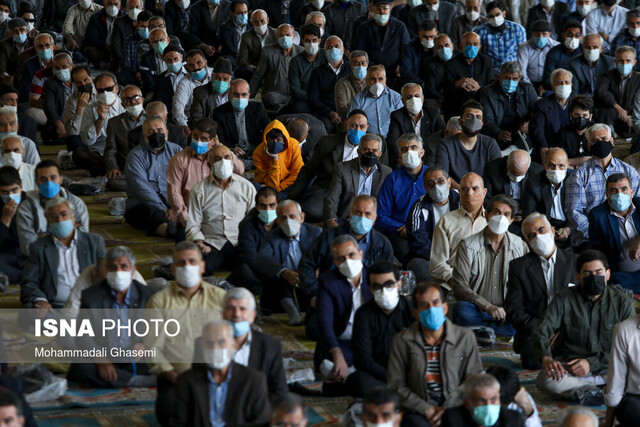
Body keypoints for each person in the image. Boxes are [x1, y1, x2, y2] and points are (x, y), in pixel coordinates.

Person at [533, 249, 634, 405]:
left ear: (607, 274)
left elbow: (630, 346)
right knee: (545, 380)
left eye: (598, 272)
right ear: (579, 277)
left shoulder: (623, 303)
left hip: (610, 367)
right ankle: (603, 392)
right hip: (572, 368)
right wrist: (546, 357)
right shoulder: (564, 299)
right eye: (587, 274)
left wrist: (591, 363)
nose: (594, 277)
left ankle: (595, 391)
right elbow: (541, 330)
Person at [146, 241, 227, 425]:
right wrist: (173, 376)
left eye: (192, 261)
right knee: (169, 413)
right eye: (181, 263)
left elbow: (234, 341)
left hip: (217, 377)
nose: (187, 267)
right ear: (173, 269)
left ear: (202, 266)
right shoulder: (159, 301)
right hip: (175, 379)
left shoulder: (220, 298)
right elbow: (152, 348)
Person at [388, 282, 482, 426]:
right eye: (424, 305)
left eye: (436, 303)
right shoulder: (402, 340)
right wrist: (425, 409)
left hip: (456, 404)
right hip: (418, 406)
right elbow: (396, 384)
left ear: (445, 308)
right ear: (416, 313)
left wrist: (447, 407)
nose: (431, 309)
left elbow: (473, 379)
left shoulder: (465, 337)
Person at [299, 196, 394, 337]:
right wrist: (314, 295)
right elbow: (306, 265)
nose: (362, 217)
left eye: (367, 214)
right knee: (315, 331)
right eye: (357, 213)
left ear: (374, 218)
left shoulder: (382, 243)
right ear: (350, 214)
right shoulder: (330, 236)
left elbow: (388, 276)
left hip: (367, 299)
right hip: (332, 296)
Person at [66, 246, 155, 388]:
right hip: (106, 354)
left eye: (123, 266)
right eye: (113, 267)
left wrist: (144, 344)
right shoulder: (91, 295)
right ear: (107, 271)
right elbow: (83, 335)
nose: (118, 272)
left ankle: (117, 378)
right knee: (80, 368)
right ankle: (137, 380)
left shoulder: (146, 294)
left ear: (133, 271)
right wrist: (100, 359)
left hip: (136, 356)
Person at [506, 212, 577, 369]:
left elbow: (584, 304)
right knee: (534, 361)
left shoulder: (575, 262)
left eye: (541, 230)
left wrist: (563, 329)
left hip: (569, 331)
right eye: (531, 235)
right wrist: (544, 329)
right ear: (527, 241)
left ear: (552, 230)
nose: (538, 236)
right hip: (535, 332)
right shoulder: (518, 267)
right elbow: (514, 309)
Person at [451, 194, 528, 336]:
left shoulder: (520, 246)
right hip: (478, 309)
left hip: (507, 310)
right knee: (460, 310)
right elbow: (459, 286)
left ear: (511, 220)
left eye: (506, 214)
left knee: (527, 313)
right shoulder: (468, 245)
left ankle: (483, 331)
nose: (501, 218)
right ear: (486, 215)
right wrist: (487, 306)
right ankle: (500, 331)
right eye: (496, 212)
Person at [287, 110, 382, 222]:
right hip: (327, 190)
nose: (358, 130)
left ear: (367, 127)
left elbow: (380, 173)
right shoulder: (328, 142)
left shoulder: (375, 145)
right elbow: (308, 171)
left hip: (358, 193)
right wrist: (290, 196)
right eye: (353, 125)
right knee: (311, 211)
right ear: (346, 125)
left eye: (362, 127)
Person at [171, 320, 270, 426]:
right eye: (209, 343)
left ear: (234, 344)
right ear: (202, 346)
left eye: (221, 342)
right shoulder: (186, 381)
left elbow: (261, 423)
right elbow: (179, 423)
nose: (215, 348)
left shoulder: (254, 381)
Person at [20, 197, 106, 309]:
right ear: (48, 221)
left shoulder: (94, 242)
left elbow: (106, 274)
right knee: (28, 312)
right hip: (54, 306)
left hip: (88, 304)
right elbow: (29, 281)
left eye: (64, 214)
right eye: (53, 217)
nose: (59, 220)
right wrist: (41, 300)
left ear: (73, 216)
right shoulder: (39, 247)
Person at [565, 123, 640, 247]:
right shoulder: (578, 176)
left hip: (628, 232)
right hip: (591, 237)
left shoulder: (628, 171)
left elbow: (638, 203)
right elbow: (574, 212)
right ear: (589, 145)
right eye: (595, 140)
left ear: (611, 141)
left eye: (604, 139)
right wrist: (599, 233)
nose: (600, 142)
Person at [186, 144, 256, 275]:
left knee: (250, 268)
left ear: (232, 160)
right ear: (209, 164)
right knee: (201, 268)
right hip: (212, 243)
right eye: (217, 158)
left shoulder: (246, 187)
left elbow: (253, 220)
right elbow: (193, 224)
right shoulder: (199, 190)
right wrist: (200, 243)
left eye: (227, 157)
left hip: (238, 241)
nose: (223, 162)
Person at [314, 234, 371, 389]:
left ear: (361, 254)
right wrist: (337, 354)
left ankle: (352, 377)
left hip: (369, 342)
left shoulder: (373, 277)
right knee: (329, 365)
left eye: (351, 255)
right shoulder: (328, 281)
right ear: (335, 262)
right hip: (342, 343)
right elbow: (324, 321)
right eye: (341, 258)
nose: (348, 261)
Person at [349, 261, 413, 397]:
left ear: (399, 285)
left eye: (389, 284)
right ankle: (399, 395)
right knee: (357, 381)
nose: (384, 290)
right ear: (370, 289)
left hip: (410, 373)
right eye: (377, 286)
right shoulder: (363, 314)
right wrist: (392, 377)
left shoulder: (412, 310)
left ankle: (393, 395)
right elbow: (363, 360)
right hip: (379, 375)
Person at [255, 199, 322, 324]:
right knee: (274, 276)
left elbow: (328, 259)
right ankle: (290, 307)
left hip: (309, 279)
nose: (288, 221)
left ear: (301, 217)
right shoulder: (272, 236)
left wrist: (316, 272)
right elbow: (262, 259)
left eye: (292, 216)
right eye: (283, 218)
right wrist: (284, 272)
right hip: (283, 282)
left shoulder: (316, 233)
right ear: (278, 222)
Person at [167, 118, 243, 228]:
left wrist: (221, 148)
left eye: (203, 139)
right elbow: (174, 192)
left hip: (219, 215)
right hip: (191, 217)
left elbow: (239, 170)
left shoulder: (220, 158)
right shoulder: (179, 159)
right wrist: (187, 221)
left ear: (213, 140)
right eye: (195, 137)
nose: (198, 141)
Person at [220, 288, 288, 401]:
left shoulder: (270, 346)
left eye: (242, 309)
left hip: (257, 411)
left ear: (252, 316)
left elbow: (278, 391)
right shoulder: (207, 343)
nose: (237, 314)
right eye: (231, 309)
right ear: (222, 314)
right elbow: (200, 389)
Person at [124, 116, 183, 239]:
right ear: (143, 135)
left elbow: (184, 181)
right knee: (151, 214)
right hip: (145, 205)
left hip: (174, 204)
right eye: (150, 131)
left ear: (166, 133)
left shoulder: (177, 151)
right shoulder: (135, 156)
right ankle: (171, 230)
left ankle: (175, 226)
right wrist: (165, 210)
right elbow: (142, 189)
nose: (156, 134)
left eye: (160, 130)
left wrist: (177, 207)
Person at [16, 160, 89, 257]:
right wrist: (65, 232)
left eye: (53, 178)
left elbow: (81, 243)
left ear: (61, 179)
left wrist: (43, 236)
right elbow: (29, 247)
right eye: (43, 179)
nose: (49, 183)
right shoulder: (27, 208)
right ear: (36, 182)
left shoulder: (77, 204)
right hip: (40, 262)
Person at [429, 172, 488, 288]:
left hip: (486, 285)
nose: (470, 193)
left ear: (484, 192)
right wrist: (456, 281)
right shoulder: (446, 221)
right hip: (452, 285)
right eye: (465, 189)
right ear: (460, 193)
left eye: (475, 188)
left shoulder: (491, 222)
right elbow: (437, 264)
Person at [376, 133, 427, 263]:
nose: (409, 151)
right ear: (399, 155)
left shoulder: (433, 177)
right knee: (405, 255)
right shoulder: (392, 179)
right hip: (401, 234)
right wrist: (401, 228)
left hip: (429, 232)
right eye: (404, 149)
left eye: (413, 148)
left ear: (422, 152)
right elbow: (381, 215)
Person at [406, 166, 460, 282]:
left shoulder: (461, 203)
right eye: (431, 184)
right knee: (416, 265)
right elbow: (419, 242)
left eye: (441, 181)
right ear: (425, 188)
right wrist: (440, 260)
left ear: (449, 182)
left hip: (459, 257)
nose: (437, 186)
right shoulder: (418, 208)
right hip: (432, 258)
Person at [323, 133, 391, 225]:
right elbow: (332, 198)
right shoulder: (343, 168)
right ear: (359, 152)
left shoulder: (386, 172)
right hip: (346, 220)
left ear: (380, 154)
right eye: (366, 149)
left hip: (373, 223)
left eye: (374, 150)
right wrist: (331, 220)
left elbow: (387, 204)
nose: (370, 153)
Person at [588, 173, 640, 291]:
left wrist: (638, 243)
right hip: (624, 276)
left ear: (631, 193)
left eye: (624, 189)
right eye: (614, 190)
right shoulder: (597, 215)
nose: (619, 194)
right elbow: (597, 250)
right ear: (607, 195)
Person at [436, 100, 502, 189]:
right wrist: (463, 191)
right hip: (454, 193)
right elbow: (442, 175)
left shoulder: (490, 144)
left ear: (482, 124)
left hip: (483, 193)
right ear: (460, 121)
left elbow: (496, 175)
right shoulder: (445, 144)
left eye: (478, 117)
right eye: (469, 116)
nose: (474, 120)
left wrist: (478, 193)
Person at [479, 61, 538, 152]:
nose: (511, 82)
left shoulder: (527, 89)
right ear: (500, 77)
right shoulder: (488, 92)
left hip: (522, 132)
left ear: (519, 79)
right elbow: (487, 118)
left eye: (514, 79)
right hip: (498, 131)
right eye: (507, 78)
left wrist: (529, 123)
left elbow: (538, 111)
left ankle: (509, 153)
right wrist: (497, 132)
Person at [74, 72, 125, 176]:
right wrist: (100, 120)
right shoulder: (90, 108)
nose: (105, 93)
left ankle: (108, 170)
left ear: (116, 89)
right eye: (101, 90)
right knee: (79, 154)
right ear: (96, 92)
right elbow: (87, 141)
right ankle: (115, 170)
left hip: (121, 151)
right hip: (100, 152)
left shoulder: (125, 105)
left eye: (109, 89)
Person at [212, 79, 270, 169]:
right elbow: (220, 138)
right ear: (229, 95)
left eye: (243, 94)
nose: (240, 98)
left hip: (256, 151)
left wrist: (261, 148)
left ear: (249, 95)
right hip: (234, 154)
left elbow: (268, 129)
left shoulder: (258, 108)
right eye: (236, 94)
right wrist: (231, 149)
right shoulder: (219, 112)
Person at [522, 147, 572, 247]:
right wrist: (546, 230)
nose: (556, 170)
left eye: (561, 166)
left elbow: (581, 212)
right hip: (544, 226)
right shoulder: (533, 183)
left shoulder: (574, 181)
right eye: (551, 165)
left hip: (569, 226)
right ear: (544, 165)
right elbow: (529, 215)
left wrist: (568, 229)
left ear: (568, 165)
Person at [387, 83, 445, 168]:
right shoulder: (397, 116)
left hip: (431, 157)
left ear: (422, 98)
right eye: (409, 97)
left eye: (416, 96)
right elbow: (393, 142)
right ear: (403, 101)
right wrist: (402, 158)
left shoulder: (433, 113)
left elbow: (443, 135)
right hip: (407, 156)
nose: (413, 99)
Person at [250, 23, 304, 112]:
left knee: (301, 100)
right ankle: (287, 105)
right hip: (275, 94)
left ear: (294, 36)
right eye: (281, 35)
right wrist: (250, 95)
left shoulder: (301, 52)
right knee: (270, 98)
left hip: (294, 94)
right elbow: (258, 75)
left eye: (288, 35)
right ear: (277, 37)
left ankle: (283, 107)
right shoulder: (268, 51)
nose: (285, 38)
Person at [442, 31, 495, 119]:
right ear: (461, 46)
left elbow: (491, 85)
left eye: (475, 44)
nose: (472, 47)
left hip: (481, 101)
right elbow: (445, 89)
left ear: (479, 47)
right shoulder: (451, 64)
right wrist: (457, 84)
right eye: (468, 44)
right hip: (458, 103)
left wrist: (479, 88)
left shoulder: (486, 61)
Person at [441, 373, 527, 427]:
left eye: (493, 399)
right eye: (481, 401)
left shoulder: (514, 419)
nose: (488, 405)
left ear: (499, 399)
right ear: (467, 403)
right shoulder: (452, 419)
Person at [102, 85, 146, 191]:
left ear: (143, 99)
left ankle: (143, 185)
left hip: (152, 167)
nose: (133, 102)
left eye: (136, 97)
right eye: (127, 99)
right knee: (112, 182)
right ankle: (148, 186)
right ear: (123, 104)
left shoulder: (154, 118)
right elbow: (110, 150)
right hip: (129, 169)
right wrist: (113, 167)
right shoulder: (114, 123)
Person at [594, 45, 640, 137]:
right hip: (613, 114)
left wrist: (634, 116)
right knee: (604, 110)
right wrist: (617, 108)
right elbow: (601, 91)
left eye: (628, 61)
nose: (624, 64)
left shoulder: (638, 79)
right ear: (615, 61)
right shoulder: (608, 75)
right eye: (621, 60)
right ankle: (606, 136)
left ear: (634, 62)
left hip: (632, 116)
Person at [307, 36, 350, 133]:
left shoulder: (350, 69)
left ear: (343, 50)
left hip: (348, 112)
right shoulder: (317, 72)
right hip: (326, 113)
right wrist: (329, 113)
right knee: (324, 126)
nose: (333, 49)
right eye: (330, 47)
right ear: (325, 52)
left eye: (336, 46)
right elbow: (313, 98)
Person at [604, 314, 640, 427]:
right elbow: (616, 381)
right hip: (636, 399)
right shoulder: (624, 329)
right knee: (630, 410)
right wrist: (608, 424)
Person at [530, 68, 574, 161]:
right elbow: (538, 131)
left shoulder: (577, 103)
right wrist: (543, 148)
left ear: (571, 84)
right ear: (553, 86)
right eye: (559, 82)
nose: (563, 85)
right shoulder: (542, 105)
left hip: (573, 151)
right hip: (550, 150)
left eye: (566, 82)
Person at [349, 65, 403, 138]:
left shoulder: (396, 98)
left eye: (380, 79)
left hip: (392, 140)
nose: (377, 83)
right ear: (366, 80)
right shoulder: (358, 99)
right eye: (373, 79)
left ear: (385, 80)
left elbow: (402, 122)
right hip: (368, 141)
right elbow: (352, 123)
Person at [253, 120, 304, 193]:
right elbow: (270, 185)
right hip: (268, 185)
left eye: (279, 140)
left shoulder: (293, 145)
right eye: (271, 140)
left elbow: (297, 172)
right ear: (266, 140)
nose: (275, 143)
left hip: (288, 184)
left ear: (284, 139)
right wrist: (274, 159)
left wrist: (279, 188)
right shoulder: (258, 153)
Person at [475, 1, 527, 73]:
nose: (495, 18)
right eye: (491, 16)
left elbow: (523, 55)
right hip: (490, 71)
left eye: (498, 14)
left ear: (504, 13)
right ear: (487, 18)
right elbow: (477, 55)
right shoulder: (480, 31)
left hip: (512, 72)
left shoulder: (518, 29)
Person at [172, 50, 213, 136]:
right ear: (187, 67)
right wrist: (184, 127)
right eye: (191, 65)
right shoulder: (184, 83)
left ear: (205, 62)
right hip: (193, 122)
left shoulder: (215, 75)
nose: (196, 67)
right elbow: (177, 106)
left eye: (199, 62)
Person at [288, 24, 325, 114]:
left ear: (319, 41)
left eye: (314, 40)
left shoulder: (326, 57)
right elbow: (295, 89)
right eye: (308, 41)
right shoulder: (295, 62)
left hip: (324, 98)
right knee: (298, 108)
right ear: (303, 41)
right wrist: (314, 98)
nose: (311, 44)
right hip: (305, 99)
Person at [553, 95, 594, 168]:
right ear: (570, 116)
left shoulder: (596, 132)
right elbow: (558, 160)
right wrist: (586, 159)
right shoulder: (563, 133)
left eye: (584, 116)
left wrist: (571, 163)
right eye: (577, 115)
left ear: (590, 117)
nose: (581, 119)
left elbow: (599, 159)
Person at [189, 57, 233, 124]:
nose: (221, 81)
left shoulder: (235, 93)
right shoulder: (200, 93)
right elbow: (196, 119)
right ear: (212, 76)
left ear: (230, 79)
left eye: (225, 79)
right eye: (218, 78)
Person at [517, 20, 560, 90]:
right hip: (529, 83)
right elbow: (522, 71)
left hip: (551, 84)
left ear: (549, 34)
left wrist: (547, 85)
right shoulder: (524, 48)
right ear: (532, 34)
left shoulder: (556, 47)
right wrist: (529, 88)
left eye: (544, 34)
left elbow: (559, 70)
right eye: (537, 34)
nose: (540, 37)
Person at [542, 20, 583, 91]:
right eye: (570, 35)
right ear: (563, 35)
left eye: (577, 35)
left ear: (581, 37)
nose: (573, 38)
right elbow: (547, 80)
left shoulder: (584, 51)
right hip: (558, 88)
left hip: (580, 89)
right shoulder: (553, 53)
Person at [0, 166, 24, 283]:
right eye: (4, 192)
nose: (10, 196)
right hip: (4, 256)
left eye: (14, 190)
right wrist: (6, 218)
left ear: (21, 187)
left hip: (27, 255)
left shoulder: (30, 202)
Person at [237, 9, 278, 78]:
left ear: (267, 20)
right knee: (240, 71)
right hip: (254, 68)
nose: (259, 24)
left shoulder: (276, 33)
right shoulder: (246, 36)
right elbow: (242, 60)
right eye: (256, 22)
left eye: (262, 21)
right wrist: (253, 68)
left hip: (273, 67)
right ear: (252, 23)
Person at [82, 0, 123, 68]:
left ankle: (107, 63)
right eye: (109, 4)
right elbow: (91, 39)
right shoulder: (95, 18)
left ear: (120, 6)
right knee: (89, 51)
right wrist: (104, 44)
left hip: (119, 49)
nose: (113, 7)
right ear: (104, 5)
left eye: (116, 4)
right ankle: (113, 63)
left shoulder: (124, 17)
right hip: (103, 50)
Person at [400, 19, 438, 86]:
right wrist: (421, 83)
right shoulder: (409, 47)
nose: (429, 39)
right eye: (425, 37)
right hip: (414, 84)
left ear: (436, 33)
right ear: (419, 34)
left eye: (432, 37)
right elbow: (405, 70)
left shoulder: (439, 48)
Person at [63, 65, 98, 137]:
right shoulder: (71, 101)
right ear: (75, 84)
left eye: (86, 80)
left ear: (91, 77)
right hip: (83, 135)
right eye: (79, 82)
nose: (83, 84)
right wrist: (79, 109)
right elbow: (72, 133)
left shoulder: (100, 92)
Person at [110, 0, 143, 73]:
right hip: (124, 60)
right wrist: (123, 63)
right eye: (131, 8)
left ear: (142, 9)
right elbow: (116, 46)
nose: (134, 10)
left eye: (137, 7)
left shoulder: (147, 21)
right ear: (126, 10)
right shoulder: (119, 22)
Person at [422, 34, 455, 105]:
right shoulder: (430, 64)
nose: (444, 49)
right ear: (435, 50)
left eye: (447, 45)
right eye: (440, 47)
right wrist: (445, 99)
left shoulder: (461, 59)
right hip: (440, 98)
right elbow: (430, 89)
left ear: (452, 46)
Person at [0, 19, 34, 86]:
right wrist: (6, 77)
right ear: (11, 33)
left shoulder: (34, 42)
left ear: (27, 31)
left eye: (22, 30)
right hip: (13, 78)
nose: (19, 33)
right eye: (15, 31)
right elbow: (1, 65)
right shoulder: (4, 45)